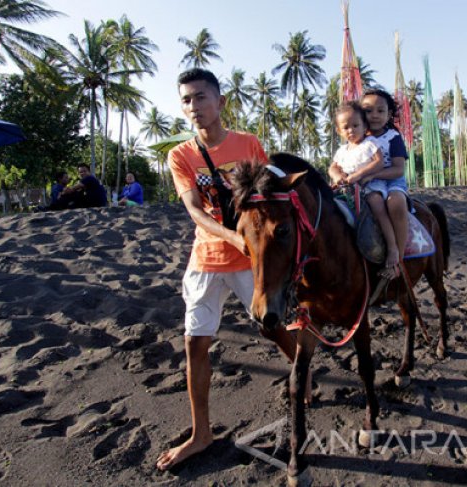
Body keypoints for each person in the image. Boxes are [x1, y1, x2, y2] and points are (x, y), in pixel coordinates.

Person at [156, 68, 301, 472]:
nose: (194, 106)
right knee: (195, 344)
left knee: (272, 326)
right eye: (186, 100)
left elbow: (268, 198)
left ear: (220, 102)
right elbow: (194, 210)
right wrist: (231, 237)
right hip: (206, 259)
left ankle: (300, 372)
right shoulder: (181, 155)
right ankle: (201, 433)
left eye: (201, 97)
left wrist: (255, 242)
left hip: (247, 260)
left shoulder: (248, 143)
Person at [328, 100, 401, 279]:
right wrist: (338, 177)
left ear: (364, 126)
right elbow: (332, 168)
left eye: (355, 125)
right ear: (339, 131)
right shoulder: (342, 150)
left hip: (370, 183)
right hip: (347, 187)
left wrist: (359, 175)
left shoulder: (369, 143)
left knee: (377, 205)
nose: (351, 130)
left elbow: (379, 162)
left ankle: (392, 248)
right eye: (346, 127)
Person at [359, 89, 411, 278]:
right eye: (368, 110)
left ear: (389, 114)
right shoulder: (358, 138)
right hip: (369, 182)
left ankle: (399, 259)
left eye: (380, 111)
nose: (374, 115)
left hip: (391, 179)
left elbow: (398, 169)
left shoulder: (393, 137)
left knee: (395, 202)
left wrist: (373, 175)